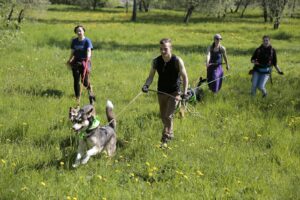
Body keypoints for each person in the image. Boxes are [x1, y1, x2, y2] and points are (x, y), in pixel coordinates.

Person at [141, 38, 189, 145]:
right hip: (161, 92)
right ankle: (170, 133)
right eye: (161, 49)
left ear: (171, 49)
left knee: (168, 116)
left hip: (174, 93)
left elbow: (185, 77)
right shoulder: (156, 61)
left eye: (165, 49)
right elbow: (150, 77)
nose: (163, 51)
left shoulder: (177, 61)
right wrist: (146, 85)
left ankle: (165, 138)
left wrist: (184, 93)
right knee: (163, 117)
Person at [67, 25, 95, 105]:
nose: (79, 32)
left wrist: (88, 57)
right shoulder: (74, 41)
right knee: (76, 80)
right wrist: (69, 60)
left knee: (84, 82)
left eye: (80, 30)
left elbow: (89, 50)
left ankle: (89, 87)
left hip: (85, 61)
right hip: (76, 61)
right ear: (76, 32)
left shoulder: (87, 41)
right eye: (77, 31)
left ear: (83, 31)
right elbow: (72, 52)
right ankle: (77, 97)